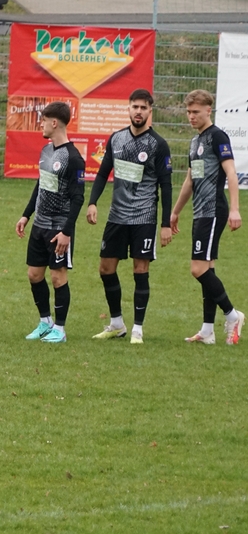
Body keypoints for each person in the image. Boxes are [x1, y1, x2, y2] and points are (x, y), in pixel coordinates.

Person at [87, 88, 172, 345]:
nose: (138, 111)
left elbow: (166, 185)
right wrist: (93, 202)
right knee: (105, 268)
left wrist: (165, 224)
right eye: (135, 107)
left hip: (144, 217)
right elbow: (103, 173)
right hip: (116, 217)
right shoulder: (117, 139)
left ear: (150, 111)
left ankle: (137, 329)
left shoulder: (158, 144)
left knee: (140, 269)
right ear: (129, 108)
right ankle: (116, 324)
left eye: (143, 108)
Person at [169, 89, 244, 345]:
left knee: (197, 269)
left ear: (208, 110)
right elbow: (190, 180)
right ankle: (207, 330)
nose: (191, 116)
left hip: (213, 210)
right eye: (188, 112)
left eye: (196, 112)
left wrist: (235, 209)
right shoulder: (195, 142)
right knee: (208, 268)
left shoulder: (217, 136)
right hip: (200, 212)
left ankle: (232, 315)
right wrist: (176, 211)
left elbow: (231, 173)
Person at [15, 102, 86, 344]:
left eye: (44, 121)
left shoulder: (74, 158)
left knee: (58, 277)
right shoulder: (46, 151)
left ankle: (60, 329)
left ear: (54, 123)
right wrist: (26, 215)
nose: (41, 125)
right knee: (34, 274)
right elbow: (41, 185)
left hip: (59, 228)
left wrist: (67, 232)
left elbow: (78, 198)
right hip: (40, 225)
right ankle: (45, 322)